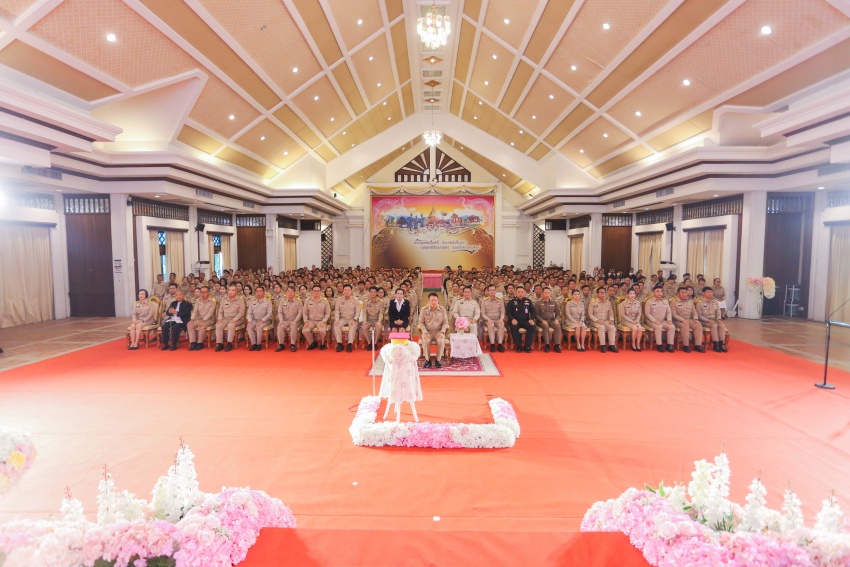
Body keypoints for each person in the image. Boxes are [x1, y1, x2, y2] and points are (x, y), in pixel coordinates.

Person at [419, 293, 448, 368]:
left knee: (440, 340)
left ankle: (438, 360)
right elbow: (421, 323)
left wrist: (442, 332)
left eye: (435, 300)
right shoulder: (424, 310)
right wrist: (425, 332)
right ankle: (427, 360)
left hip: (438, 331)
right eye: (432, 300)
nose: (434, 302)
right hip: (428, 332)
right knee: (426, 340)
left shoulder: (442, 310)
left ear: (438, 301)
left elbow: (445, 323)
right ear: (428, 301)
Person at [672, 287, 705, 353]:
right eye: (682, 293)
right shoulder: (674, 303)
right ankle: (686, 345)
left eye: (685, 292)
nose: (684, 294)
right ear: (678, 294)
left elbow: (694, 312)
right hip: (677, 320)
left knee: (698, 325)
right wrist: (682, 320)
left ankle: (697, 345)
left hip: (688, 319)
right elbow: (674, 315)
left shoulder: (690, 302)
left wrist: (695, 319)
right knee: (685, 326)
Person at [215, 285, 246, 352]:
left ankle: (229, 343)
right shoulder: (224, 300)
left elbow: (241, 313)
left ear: (236, 292)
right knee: (218, 325)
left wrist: (234, 319)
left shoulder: (240, 301)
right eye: (229, 290)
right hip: (226, 319)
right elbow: (220, 312)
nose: (230, 292)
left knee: (231, 325)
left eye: (233, 290)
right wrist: (220, 319)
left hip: (237, 319)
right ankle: (220, 343)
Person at [645, 285, 675, 352]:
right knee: (659, 326)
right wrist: (654, 321)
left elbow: (669, 312)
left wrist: (669, 319)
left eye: (661, 291)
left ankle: (669, 345)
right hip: (651, 321)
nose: (659, 293)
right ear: (653, 293)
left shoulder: (665, 301)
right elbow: (647, 314)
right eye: (657, 291)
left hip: (662, 321)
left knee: (672, 326)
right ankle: (659, 345)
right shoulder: (649, 301)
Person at [588, 287, 618, 353]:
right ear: (597, 294)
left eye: (603, 292)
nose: (602, 294)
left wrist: (611, 320)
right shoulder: (593, 302)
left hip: (605, 320)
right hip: (595, 321)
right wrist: (597, 320)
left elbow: (611, 314)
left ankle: (612, 345)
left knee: (612, 327)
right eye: (600, 292)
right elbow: (590, 314)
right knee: (601, 327)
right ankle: (603, 345)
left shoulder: (608, 302)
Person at [507, 286, 536, 353]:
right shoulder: (511, 302)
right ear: (516, 293)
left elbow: (533, 311)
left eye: (522, 292)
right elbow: (508, 312)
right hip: (515, 321)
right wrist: (512, 319)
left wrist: (531, 319)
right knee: (513, 327)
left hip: (525, 320)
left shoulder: (528, 301)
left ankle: (527, 345)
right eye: (519, 292)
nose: (520, 293)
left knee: (532, 326)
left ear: (524, 293)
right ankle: (518, 345)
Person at [698, 287, 728, 352]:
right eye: (708, 292)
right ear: (703, 293)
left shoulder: (715, 302)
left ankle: (721, 344)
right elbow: (699, 315)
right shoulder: (700, 303)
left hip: (714, 320)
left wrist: (719, 319)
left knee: (722, 325)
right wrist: (708, 320)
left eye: (711, 292)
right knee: (714, 325)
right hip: (704, 320)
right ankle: (715, 344)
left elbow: (718, 312)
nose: (710, 294)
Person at [302, 285, 331, 350]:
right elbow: (304, 312)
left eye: (318, 291)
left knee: (322, 330)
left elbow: (327, 313)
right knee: (304, 330)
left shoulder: (325, 301)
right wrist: (306, 321)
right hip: (311, 320)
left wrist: (324, 321)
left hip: (321, 320)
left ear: (320, 292)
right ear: (312, 292)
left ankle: (322, 343)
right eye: (315, 291)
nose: (316, 292)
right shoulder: (308, 300)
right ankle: (312, 343)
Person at [333, 284, 361, 352]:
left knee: (353, 325)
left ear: (351, 291)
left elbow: (358, 311)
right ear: (343, 291)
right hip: (343, 318)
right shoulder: (339, 300)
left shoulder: (355, 300)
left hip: (352, 318)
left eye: (348, 290)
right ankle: (339, 343)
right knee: (336, 325)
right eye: (345, 290)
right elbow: (336, 310)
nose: (347, 291)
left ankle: (349, 344)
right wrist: (337, 319)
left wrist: (355, 319)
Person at [187, 286, 215, 351]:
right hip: (199, 319)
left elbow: (210, 313)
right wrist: (192, 319)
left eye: (204, 292)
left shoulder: (213, 301)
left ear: (208, 292)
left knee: (201, 325)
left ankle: (200, 343)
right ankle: (193, 342)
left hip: (209, 319)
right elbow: (195, 311)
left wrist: (204, 320)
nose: (202, 294)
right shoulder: (198, 300)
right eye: (201, 292)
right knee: (189, 325)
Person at [480, 284, 506, 353]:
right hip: (488, 320)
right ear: (488, 291)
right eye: (490, 290)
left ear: (496, 291)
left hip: (497, 319)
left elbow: (502, 312)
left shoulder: (500, 300)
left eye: (493, 290)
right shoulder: (484, 301)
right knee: (490, 325)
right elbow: (483, 313)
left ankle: (500, 344)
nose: (492, 292)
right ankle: (492, 344)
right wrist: (488, 319)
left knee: (501, 324)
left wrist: (501, 319)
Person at [246, 285, 273, 351]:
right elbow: (249, 313)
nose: (258, 293)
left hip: (265, 320)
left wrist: (262, 320)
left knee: (259, 326)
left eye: (260, 291)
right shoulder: (252, 302)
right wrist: (249, 321)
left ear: (264, 292)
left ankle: (259, 344)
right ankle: (253, 344)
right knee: (249, 327)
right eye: (257, 291)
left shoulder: (268, 302)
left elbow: (269, 314)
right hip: (254, 320)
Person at [275, 287, 303, 352]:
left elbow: (300, 313)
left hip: (295, 321)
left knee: (293, 326)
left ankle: (293, 344)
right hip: (285, 320)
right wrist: (281, 320)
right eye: (288, 291)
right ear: (286, 293)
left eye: (292, 291)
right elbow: (280, 312)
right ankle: (281, 344)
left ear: (295, 292)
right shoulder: (282, 301)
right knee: (280, 325)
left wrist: (295, 321)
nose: (290, 293)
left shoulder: (298, 301)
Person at [535, 287, 562, 353]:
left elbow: (558, 314)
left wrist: (556, 320)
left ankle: (557, 345)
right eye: (545, 293)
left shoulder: (554, 303)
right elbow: (536, 315)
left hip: (551, 320)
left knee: (557, 326)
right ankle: (547, 345)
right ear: (542, 293)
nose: (547, 294)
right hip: (541, 321)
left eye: (548, 293)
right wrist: (542, 320)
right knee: (545, 326)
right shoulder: (538, 303)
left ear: (550, 294)